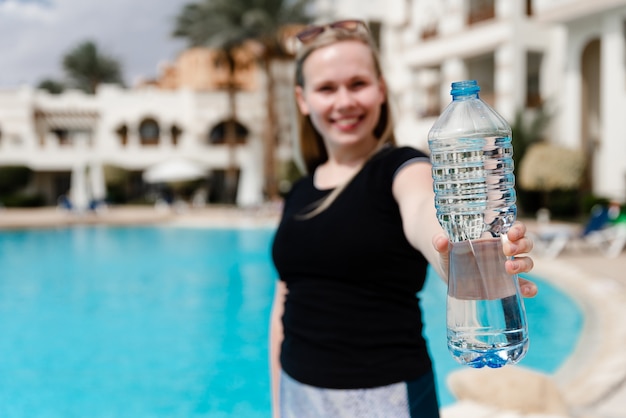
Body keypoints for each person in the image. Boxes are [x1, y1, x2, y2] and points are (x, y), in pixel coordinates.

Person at [270, 19, 537, 418]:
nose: (344, 101)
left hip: (386, 398)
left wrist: (450, 256)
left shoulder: (402, 168)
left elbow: (423, 211)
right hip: (299, 396)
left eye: (357, 84)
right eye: (327, 88)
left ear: (381, 89)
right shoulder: (300, 191)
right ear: (303, 98)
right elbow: (285, 303)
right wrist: (279, 404)